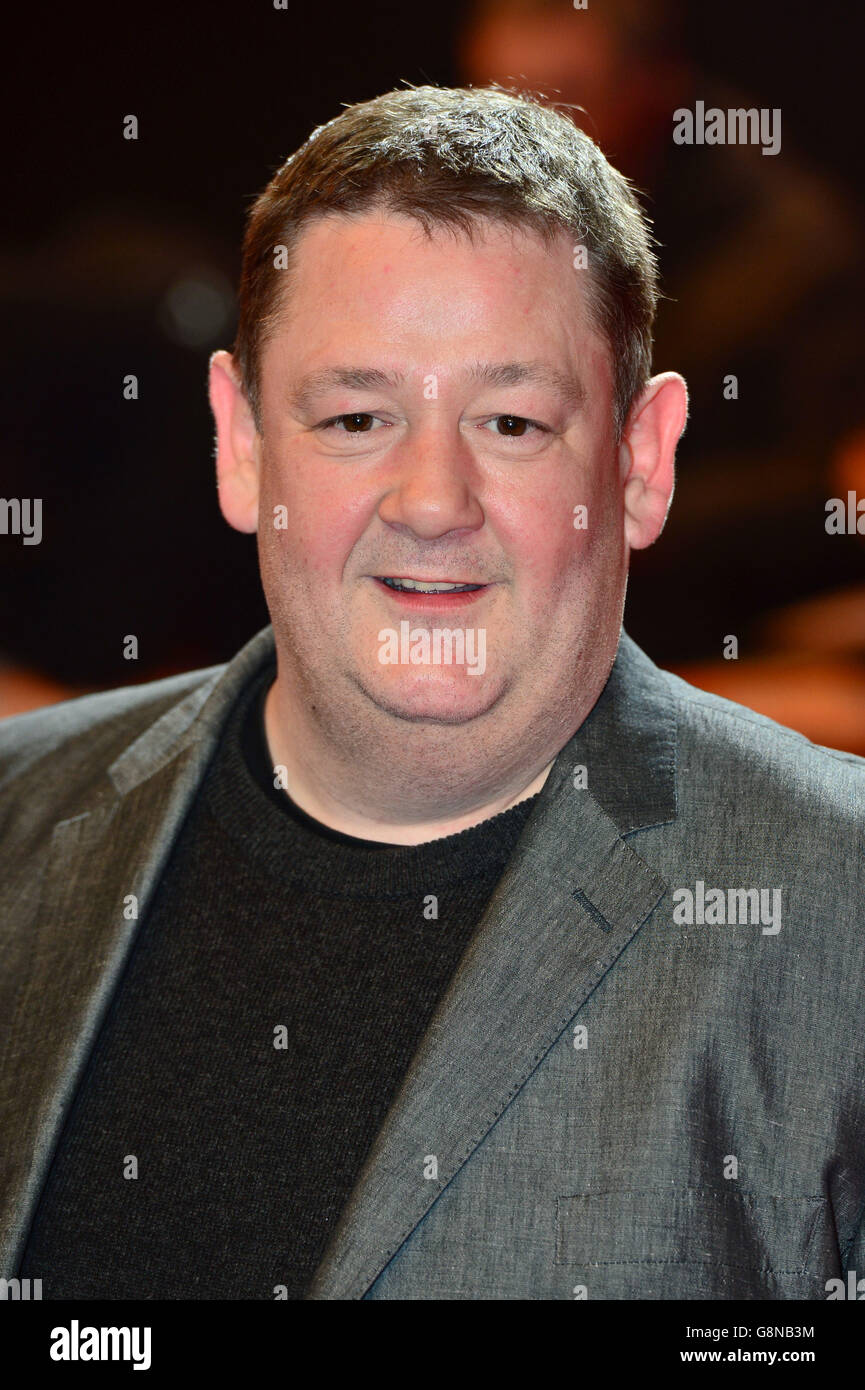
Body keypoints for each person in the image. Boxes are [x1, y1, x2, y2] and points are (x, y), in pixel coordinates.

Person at [1, 84, 863, 1302]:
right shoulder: (16, 824)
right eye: (357, 416)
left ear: (640, 464)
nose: (431, 500)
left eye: (511, 422)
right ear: (240, 445)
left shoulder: (842, 911)